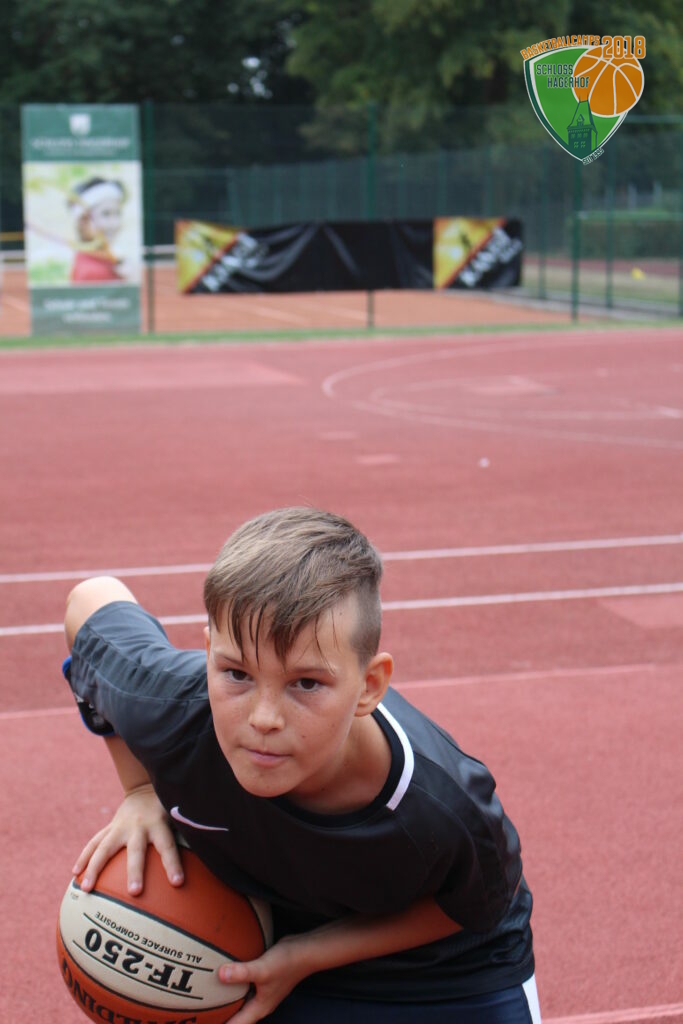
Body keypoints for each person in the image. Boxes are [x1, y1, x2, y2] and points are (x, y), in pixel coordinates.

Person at [63, 507, 540, 1024]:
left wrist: (308, 955)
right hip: (273, 956)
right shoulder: (169, 707)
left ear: (370, 686)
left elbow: (477, 902)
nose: (264, 719)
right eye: (236, 673)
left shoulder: (443, 803)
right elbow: (89, 599)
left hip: (449, 974)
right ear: (208, 653)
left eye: (306, 683)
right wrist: (139, 789)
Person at [67, 177, 127, 283]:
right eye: (106, 214)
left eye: (118, 213)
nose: (115, 223)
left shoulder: (108, 261)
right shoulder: (92, 272)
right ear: (83, 221)